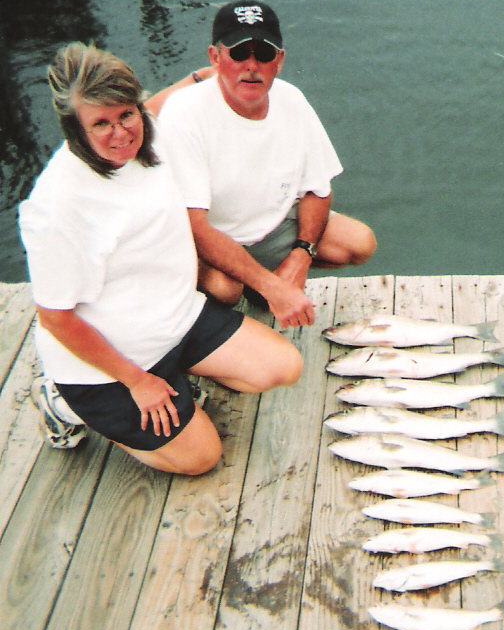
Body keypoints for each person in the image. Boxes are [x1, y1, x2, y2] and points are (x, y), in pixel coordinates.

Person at [19, 43, 303, 474]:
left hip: (176, 320)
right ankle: (64, 404)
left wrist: (206, 75)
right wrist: (137, 381)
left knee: (283, 367)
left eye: (126, 115)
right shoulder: (57, 208)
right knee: (201, 457)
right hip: (109, 367)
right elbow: (56, 318)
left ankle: (176, 378)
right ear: (74, 129)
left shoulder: (145, 132)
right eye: (100, 124)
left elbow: (154, 107)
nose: (120, 134)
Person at [156, 0, 376, 330]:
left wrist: (302, 255)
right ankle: (244, 289)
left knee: (360, 243)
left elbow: (318, 190)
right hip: (205, 242)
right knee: (226, 290)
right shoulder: (184, 113)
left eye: (263, 54)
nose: (251, 66)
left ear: (280, 61)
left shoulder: (293, 100)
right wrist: (272, 286)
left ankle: (265, 280)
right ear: (215, 58)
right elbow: (196, 227)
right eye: (238, 53)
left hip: (270, 230)